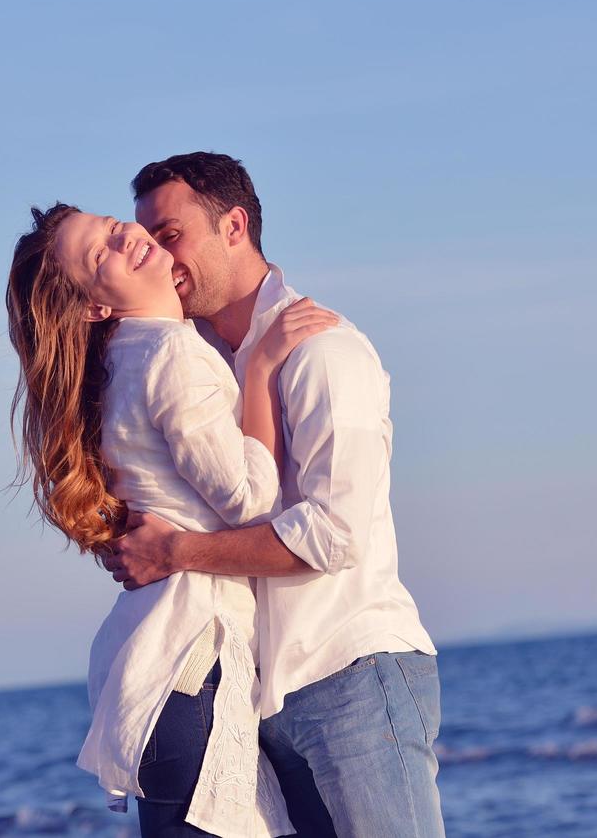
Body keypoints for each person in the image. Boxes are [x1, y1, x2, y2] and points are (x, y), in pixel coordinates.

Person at [103, 152, 446, 838]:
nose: (160, 258)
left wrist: (177, 552)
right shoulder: (191, 367)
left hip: (349, 673)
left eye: (171, 235)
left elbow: (331, 536)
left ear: (233, 226)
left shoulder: (322, 351)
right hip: (255, 697)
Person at [5, 202, 336, 837]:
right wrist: (262, 369)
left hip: (160, 663)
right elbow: (251, 500)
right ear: (93, 307)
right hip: (193, 663)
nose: (123, 236)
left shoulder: (125, 364)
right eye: (100, 254)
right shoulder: (170, 357)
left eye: (108, 226)